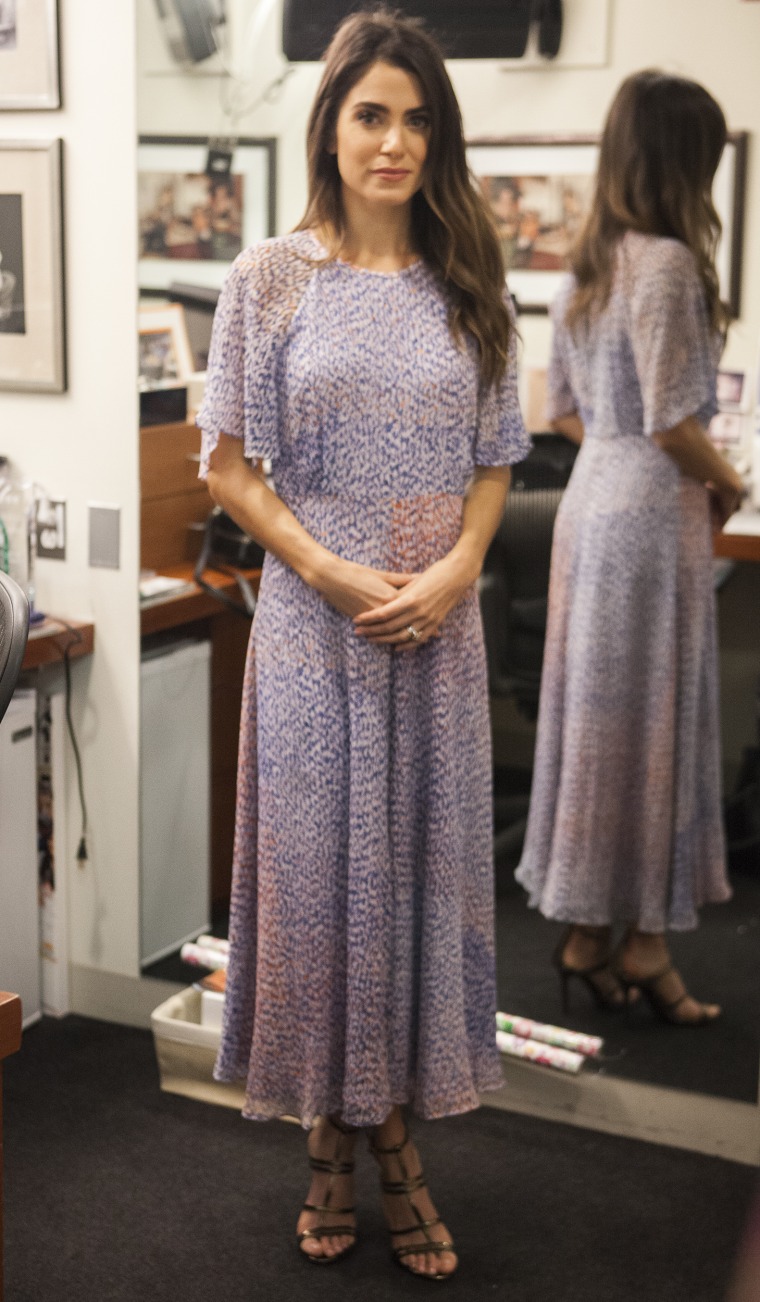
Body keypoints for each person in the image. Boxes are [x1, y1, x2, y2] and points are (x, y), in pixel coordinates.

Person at [196, 7, 529, 1282]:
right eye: (371, 115)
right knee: (320, 890)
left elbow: (495, 462)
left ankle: (397, 1141)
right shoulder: (269, 278)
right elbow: (227, 469)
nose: (394, 141)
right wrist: (332, 572)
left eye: (416, 118)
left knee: (418, 888)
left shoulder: (467, 276)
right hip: (313, 626)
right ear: (330, 124)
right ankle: (339, 1147)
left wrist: (452, 570)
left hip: (435, 629)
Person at [515, 70, 744, 1025]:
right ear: (682, 159)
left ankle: (588, 933)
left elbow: (561, 412)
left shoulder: (586, 266)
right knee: (652, 726)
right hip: (652, 510)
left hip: (589, 504)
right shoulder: (670, 267)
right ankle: (643, 941)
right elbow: (671, 425)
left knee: (599, 727)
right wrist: (730, 480)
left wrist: (623, 445)